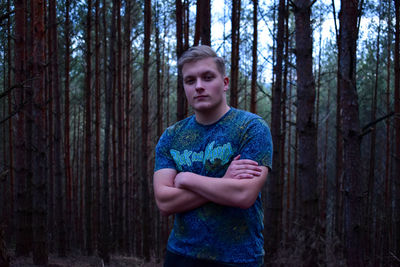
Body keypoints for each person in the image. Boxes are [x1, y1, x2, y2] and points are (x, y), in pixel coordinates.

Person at [153, 45, 273, 267]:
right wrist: (223, 183)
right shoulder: (171, 137)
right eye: (190, 80)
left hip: (239, 258)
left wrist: (188, 179)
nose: (199, 86)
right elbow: (164, 201)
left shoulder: (251, 128)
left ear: (225, 83)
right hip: (180, 255)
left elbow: (243, 195)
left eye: (207, 77)